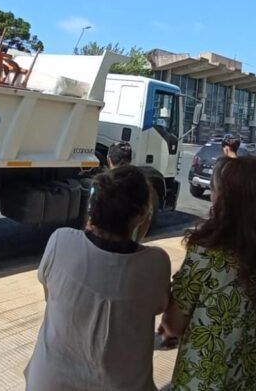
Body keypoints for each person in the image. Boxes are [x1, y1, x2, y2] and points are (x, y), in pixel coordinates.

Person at [25, 166, 171, 391]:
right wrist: (138, 233)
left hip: (48, 383)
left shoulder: (60, 241)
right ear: (142, 216)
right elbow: (158, 306)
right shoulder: (156, 262)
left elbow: (50, 295)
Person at [159, 156, 256, 390]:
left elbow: (173, 324)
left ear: (226, 200)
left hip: (214, 378)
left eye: (213, 189)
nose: (211, 196)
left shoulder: (206, 253)